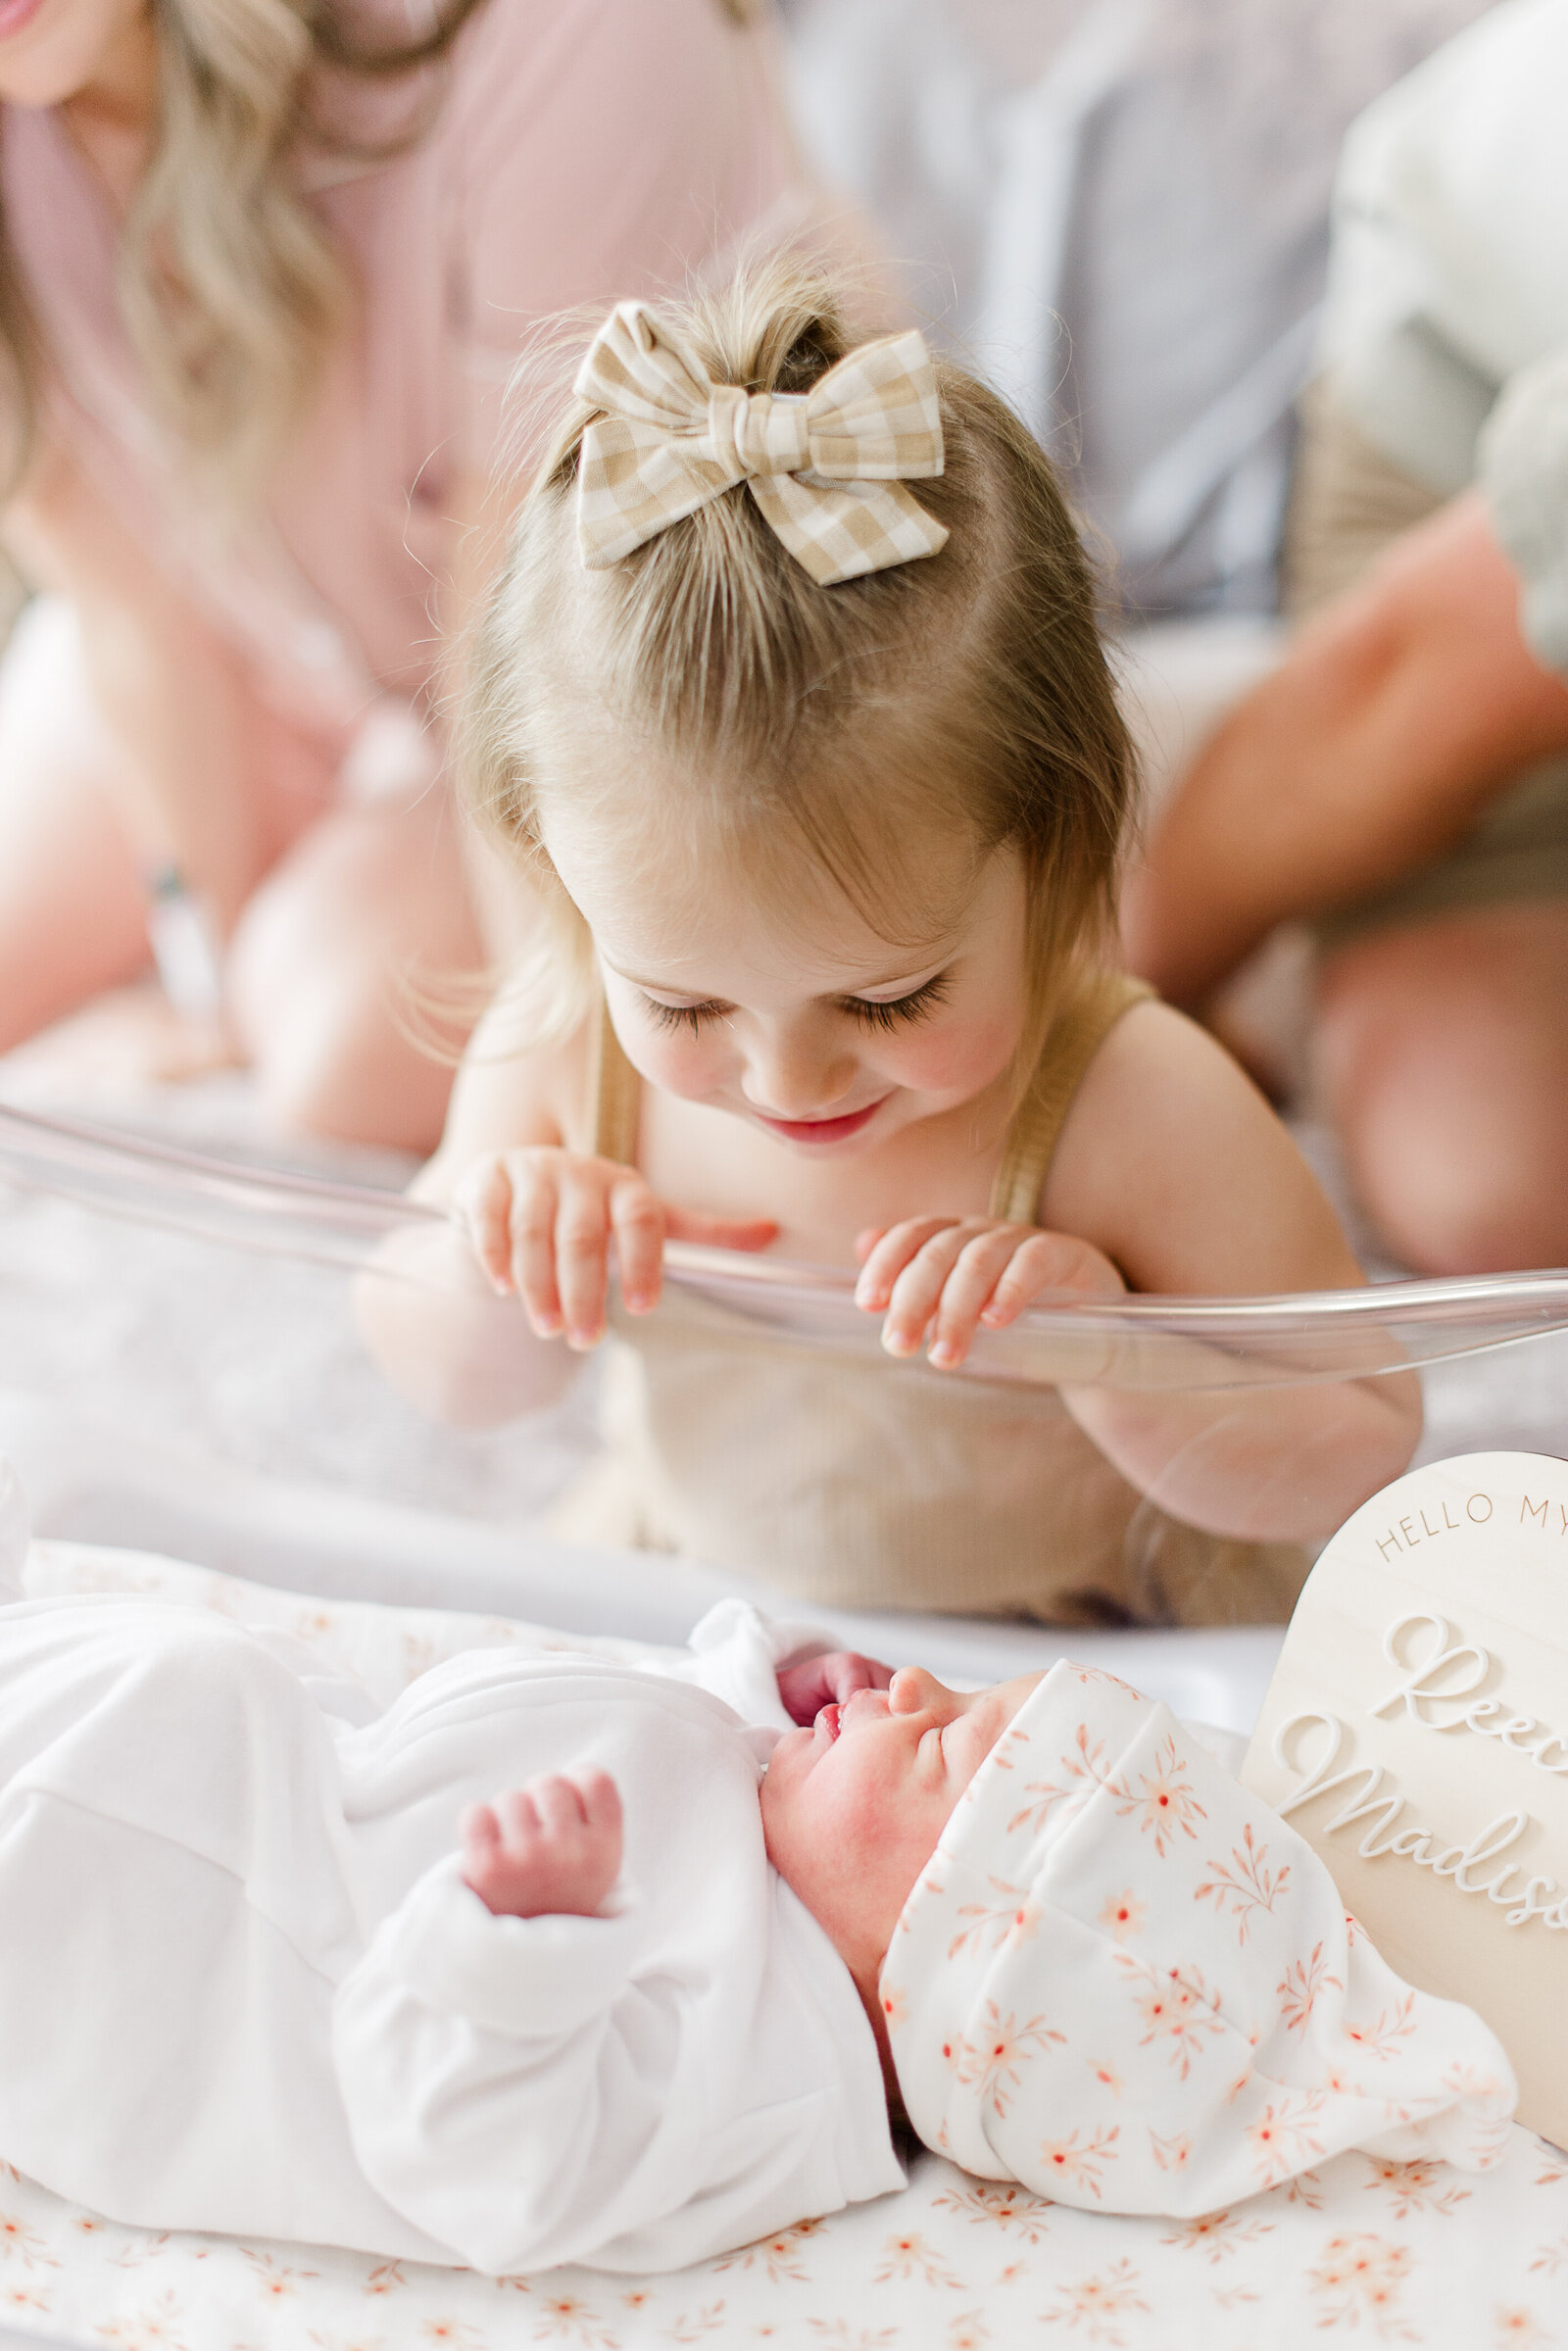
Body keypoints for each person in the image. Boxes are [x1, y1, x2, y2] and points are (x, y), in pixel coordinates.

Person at [360, 256, 1420, 1628]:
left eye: (891, 998)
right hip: (711, 1609)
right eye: (683, 1006)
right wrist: (501, 1264)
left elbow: (1365, 1447)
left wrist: (1109, 1356)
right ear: (555, 871)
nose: (789, 1080)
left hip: (1078, 1651)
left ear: (1055, 849)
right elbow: (429, 1365)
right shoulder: (562, 1048)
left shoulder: (1128, 1105)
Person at [0, 1587, 1513, 2268]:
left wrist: (507, 1949)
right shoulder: (801, 1862)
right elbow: (684, 1740)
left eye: (933, 1745)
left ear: (930, 1959)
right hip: (188, 1775)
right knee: (170, 1694)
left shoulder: (774, 2078)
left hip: (145, 1953)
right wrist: (782, 1677)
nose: (908, 1691)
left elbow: (493, 2173)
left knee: (160, 1725)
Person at [0, 0, 813, 1147]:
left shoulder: (559, 30)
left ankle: (1113, 867)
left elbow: (519, 616)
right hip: (299, 653)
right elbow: (127, 610)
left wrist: (543, 1074)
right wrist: (210, 977)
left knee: (344, 1034)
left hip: (655, 671)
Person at [1121, 0, 1568, 1276]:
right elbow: (1392, 689)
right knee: (1495, 1189)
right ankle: (1300, 960)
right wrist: (1098, 1016)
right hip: (1472, 382)